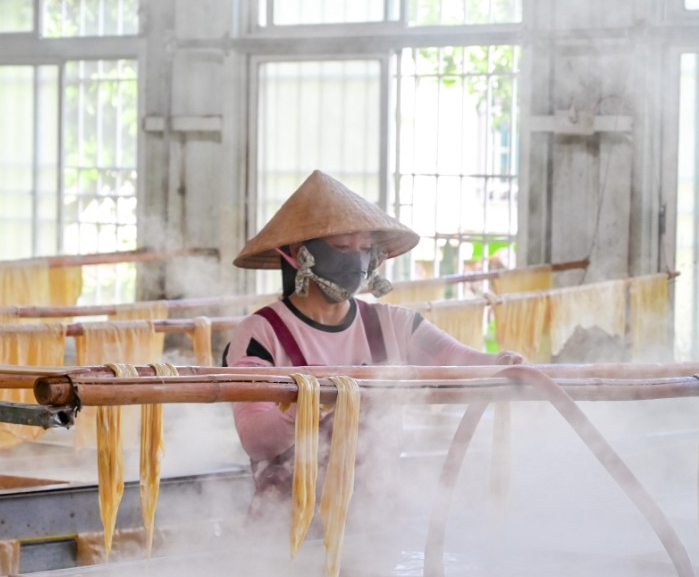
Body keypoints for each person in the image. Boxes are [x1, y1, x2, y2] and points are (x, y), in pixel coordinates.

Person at [222, 169, 521, 513]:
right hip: (285, 528)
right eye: (341, 247)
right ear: (298, 253)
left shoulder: (392, 325)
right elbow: (256, 438)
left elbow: (457, 361)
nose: (356, 260)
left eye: (365, 248)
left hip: (376, 522)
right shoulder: (262, 332)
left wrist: (500, 364)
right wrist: (315, 402)